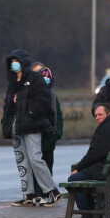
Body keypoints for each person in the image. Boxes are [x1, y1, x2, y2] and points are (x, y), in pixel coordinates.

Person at [2, 49, 61, 207]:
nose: (14, 64)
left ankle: (51, 191)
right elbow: (8, 103)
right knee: (22, 161)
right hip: (16, 125)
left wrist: (31, 114)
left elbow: (44, 100)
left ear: (23, 62)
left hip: (32, 124)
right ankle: (28, 194)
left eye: (16, 61)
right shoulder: (12, 82)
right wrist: (5, 121)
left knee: (35, 158)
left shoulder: (35, 79)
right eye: (12, 62)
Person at [30, 63, 63, 199]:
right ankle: (35, 193)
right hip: (34, 136)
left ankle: (46, 193)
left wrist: (57, 134)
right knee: (34, 166)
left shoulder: (52, 95)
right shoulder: (30, 94)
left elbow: (58, 116)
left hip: (49, 137)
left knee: (47, 166)